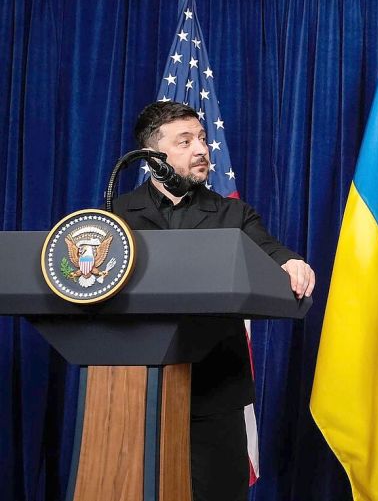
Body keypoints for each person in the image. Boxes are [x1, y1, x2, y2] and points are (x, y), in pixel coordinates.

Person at [114, 101, 316, 501]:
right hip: (135, 389)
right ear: (154, 156)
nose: (201, 150)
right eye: (185, 141)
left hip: (215, 391)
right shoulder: (118, 214)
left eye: (202, 139)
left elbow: (271, 251)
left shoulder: (233, 214)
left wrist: (292, 263)